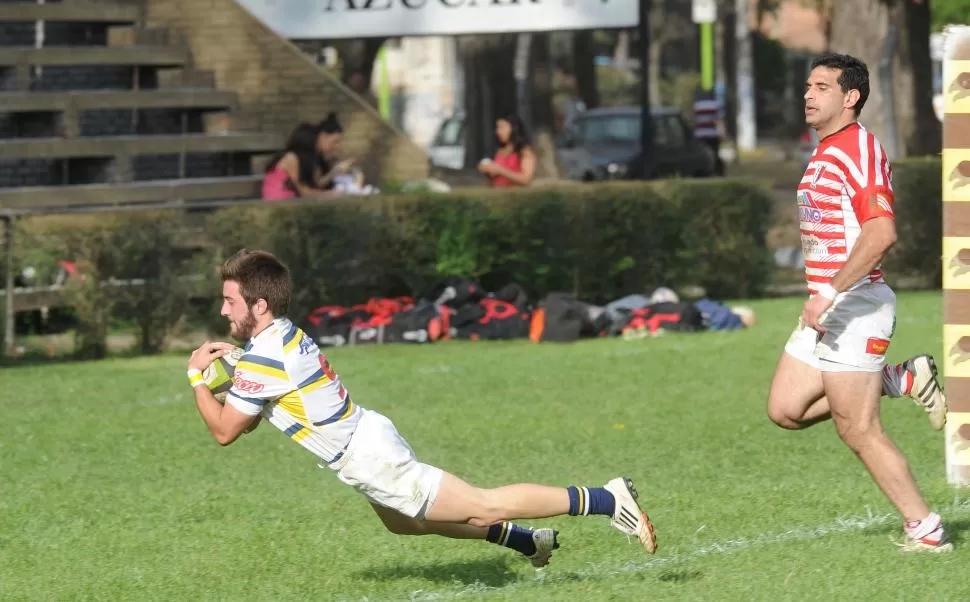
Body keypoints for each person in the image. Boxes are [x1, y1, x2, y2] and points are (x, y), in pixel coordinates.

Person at [185, 249, 657, 568]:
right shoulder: (279, 336)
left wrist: (196, 380)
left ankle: (606, 498)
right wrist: (230, 381)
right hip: (366, 438)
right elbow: (246, 418)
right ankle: (523, 540)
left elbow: (226, 432)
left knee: (482, 504)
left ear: (259, 304)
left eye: (230, 301)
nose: (224, 312)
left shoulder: (263, 357)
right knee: (401, 523)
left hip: (367, 455)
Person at [766, 53, 952, 553]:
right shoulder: (827, 149)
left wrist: (829, 290)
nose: (808, 94)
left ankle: (926, 529)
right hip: (827, 308)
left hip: (856, 304)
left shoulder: (858, 149)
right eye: (808, 85)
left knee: (858, 428)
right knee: (785, 409)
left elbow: (881, 232)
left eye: (821, 87)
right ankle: (901, 378)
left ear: (850, 98)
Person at [261, 122, 340, 201]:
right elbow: (304, 193)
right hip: (280, 204)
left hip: (290, 202)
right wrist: (330, 194)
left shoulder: (304, 160)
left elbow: (314, 185)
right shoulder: (291, 158)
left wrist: (334, 172)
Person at [477, 114, 536, 187]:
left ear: (514, 128)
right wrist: (487, 170)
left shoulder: (524, 151)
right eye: (497, 128)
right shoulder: (498, 151)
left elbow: (526, 179)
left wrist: (500, 170)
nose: (498, 132)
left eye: (502, 127)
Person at [314, 112, 355, 192]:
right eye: (335, 142)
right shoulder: (310, 157)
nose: (337, 147)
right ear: (323, 136)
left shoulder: (321, 157)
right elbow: (315, 186)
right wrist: (335, 171)